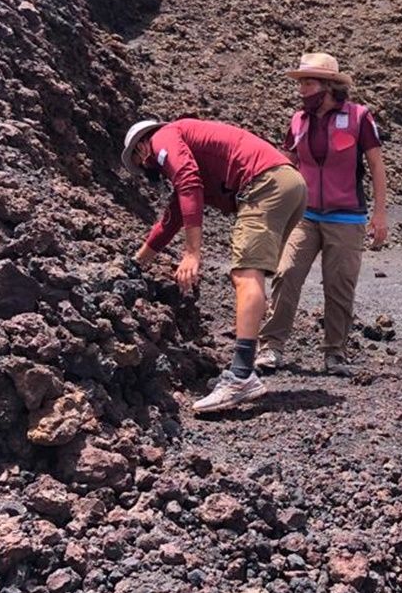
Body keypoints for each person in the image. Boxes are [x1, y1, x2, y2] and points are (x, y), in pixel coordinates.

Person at [123, 118, 306, 412]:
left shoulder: (163, 138)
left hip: (265, 184)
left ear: (142, 148)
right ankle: (245, 370)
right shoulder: (188, 146)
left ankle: (242, 376)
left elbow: (187, 181)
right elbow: (174, 215)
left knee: (246, 274)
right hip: (289, 184)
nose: (146, 170)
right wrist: (137, 262)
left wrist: (192, 253)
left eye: (139, 162)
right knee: (250, 274)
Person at [256, 53, 389, 377]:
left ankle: (335, 353)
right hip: (306, 215)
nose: (302, 89)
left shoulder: (358, 117)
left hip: (347, 218)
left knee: (339, 285)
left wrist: (380, 214)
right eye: (300, 82)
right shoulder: (298, 120)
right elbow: (284, 165)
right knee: (286, 273)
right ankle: (271, 347)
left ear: (329, 86)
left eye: (309, 82)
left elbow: (376, 166)